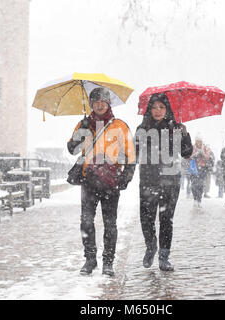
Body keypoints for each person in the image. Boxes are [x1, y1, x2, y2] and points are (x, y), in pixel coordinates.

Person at [67, 87, 136, 277]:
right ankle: (90, 260)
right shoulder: (84, 125)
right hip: (89, 180)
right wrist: (80, 131)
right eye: (96, 101)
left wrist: (125, 178)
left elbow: (130, 155)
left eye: (103, 102)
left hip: (110, 181)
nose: (99, 105)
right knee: (86, 221)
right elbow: (72, 149)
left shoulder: (120, 126)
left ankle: (108, 262)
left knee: (110, 223)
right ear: (91, 104)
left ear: (108, 104)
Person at [133, 93, 193, 271]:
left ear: (167, 109)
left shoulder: (177, 128)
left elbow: (187, 152)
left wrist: (185, 134)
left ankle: (164, 257)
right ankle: (151, 246)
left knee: (166, 219)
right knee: (147, 219)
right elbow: (134, 154)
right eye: (154, 107)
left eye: (161, 107)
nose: (158, 111)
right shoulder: (141, 129)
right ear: (149, 110)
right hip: (148, 180)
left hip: (170, 181)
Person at [189, 136, 214, 206]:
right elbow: (189, 156)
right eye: (197, 140)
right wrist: (195, 154)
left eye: (200, 141)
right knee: (194, 185)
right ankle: (195, 199)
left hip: (202, 168)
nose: (198, 142)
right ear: (195, 141)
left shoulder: (206, 148)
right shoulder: (192, 147)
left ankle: (199, 199)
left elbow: (207, 157)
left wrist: (202, 153)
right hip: (194, 168)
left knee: (200, 184)